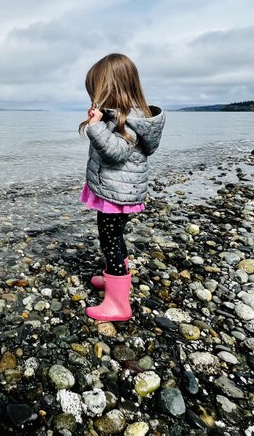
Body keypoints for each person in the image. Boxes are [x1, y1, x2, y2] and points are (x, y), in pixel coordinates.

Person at [79, 53, 165, 321]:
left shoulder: (130, 121)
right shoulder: (124, 116)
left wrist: (96, 127)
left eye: (98, 91)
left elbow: (116, 152)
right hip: (119, 190)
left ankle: (118, 303)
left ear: (112, 89)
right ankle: (113, 277)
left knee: (110, 240)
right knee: (113, 238)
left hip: (117, 194)